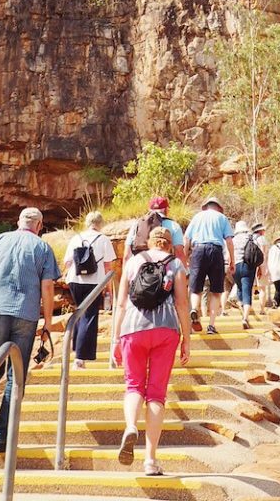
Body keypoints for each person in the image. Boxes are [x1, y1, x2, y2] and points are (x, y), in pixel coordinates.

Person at [0, 207, 59, 453]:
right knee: (16, 375)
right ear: (39, 226)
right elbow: (47, 287)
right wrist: (48, 323)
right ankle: (2, 436)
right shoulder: (43, 248)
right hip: (25, 313)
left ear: (18, 222)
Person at [112, 225, 190, 476]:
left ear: (149, 242)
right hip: (166, 331)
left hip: (133, 329)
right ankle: (150, 460)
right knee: (156, 394)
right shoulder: (176, 265)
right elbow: (181, 302)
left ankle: (131, 427)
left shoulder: (134, 262)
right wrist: (187, 339)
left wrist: (115, 339)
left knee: (134, 386)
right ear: (169, 243)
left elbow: (121, 303)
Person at [63, 212, 117, 369]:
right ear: (101, 223)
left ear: (87, 222)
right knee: (90, 315)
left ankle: (76, 351)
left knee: (80, 313)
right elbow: (108, 266)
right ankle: (80, 358)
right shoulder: (103, 239)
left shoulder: (76, 238)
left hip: (75, 280)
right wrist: (108, 289)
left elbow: (67, 262)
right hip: (94, 282)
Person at [183, 197, 234, 335]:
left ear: (206, 206)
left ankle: (194, 308)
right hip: (216, 251)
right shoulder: (222, 218)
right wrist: (232, 260)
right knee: (216, 291)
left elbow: (187, 239)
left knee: (195, 288)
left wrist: (184, 257)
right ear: (218, 207)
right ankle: (211, 326)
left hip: (198, 250)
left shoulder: (197, 217)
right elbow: (229, 241)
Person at [123, 197, 185, 265]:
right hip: (163, 268)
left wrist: (124, 274)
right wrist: (185, 272)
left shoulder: (137, 224)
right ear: (166, 210)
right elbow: (179, 253)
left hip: (140, 268)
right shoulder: (174, 225)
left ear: (149, 209)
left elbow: (127, 255)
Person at [232, 220, 265, 329]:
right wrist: (260, 268)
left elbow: (228, 255)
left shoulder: (232, 240)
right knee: (247, 292)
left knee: (240, 290)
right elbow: (257, 253)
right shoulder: (251, 238)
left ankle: (243, 312)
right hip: (248, 266)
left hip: (235, 267)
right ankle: (245, 318)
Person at [251, 221, 270, 314]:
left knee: (250, 288)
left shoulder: (250, 239)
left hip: (250, 266)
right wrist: (263, 267)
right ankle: (262, 310)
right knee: (262, 289)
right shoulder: (262, 239)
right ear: (261, 231)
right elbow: (263, 254)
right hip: (260, 266)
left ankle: (249, 309)